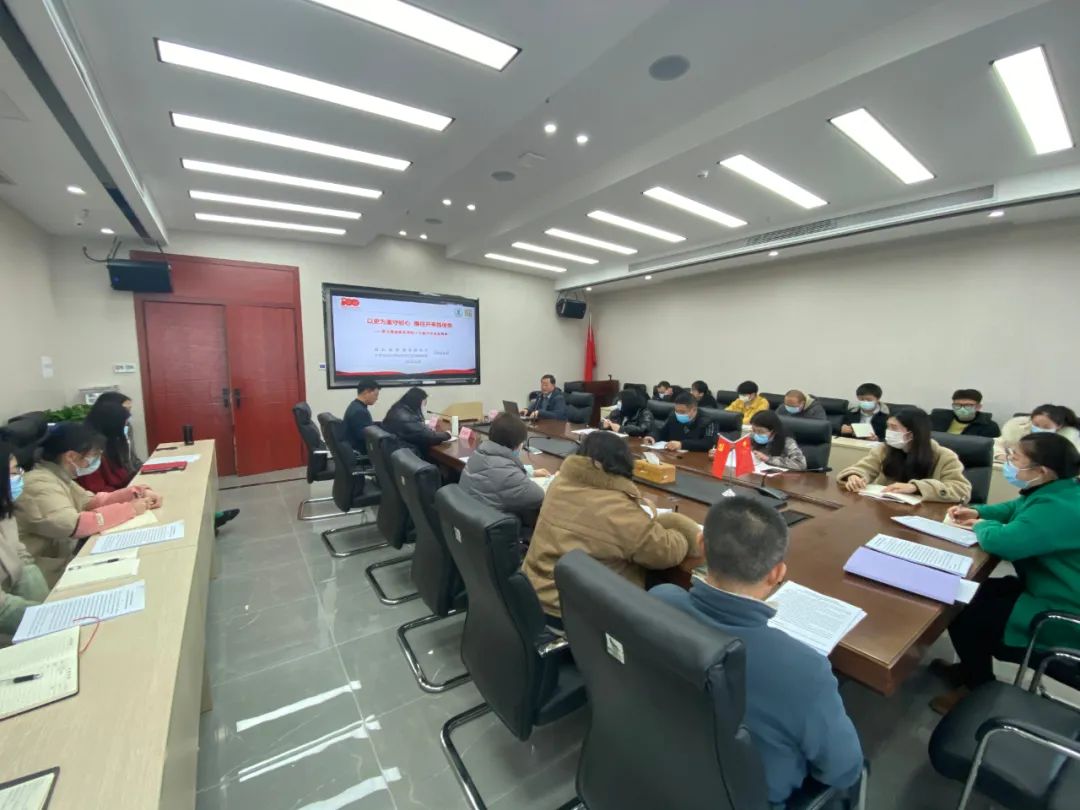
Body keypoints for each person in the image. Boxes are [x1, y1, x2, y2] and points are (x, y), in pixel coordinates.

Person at [651, 497, 863, 806]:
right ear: (777, 574)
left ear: (702, 546)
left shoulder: (659, 602)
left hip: (659, 770)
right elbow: (843, 770)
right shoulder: (804, 671)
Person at [930, 432, 1080, 714]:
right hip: (1047, 588)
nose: (1008, 462)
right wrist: (977, 512)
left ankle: (977, 687)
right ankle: (970, 668)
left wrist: (980, 525)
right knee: (971, 594)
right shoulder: (1056, 490)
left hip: (1063, 609)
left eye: (1015, 458)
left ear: (1041, 471)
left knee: (967, 612)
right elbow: (1014, 509)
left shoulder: (1059, 506)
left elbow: (1005, 543)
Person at [524, 431, 701, 623]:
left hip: (532, 596)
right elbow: (665, 552)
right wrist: (680, 531)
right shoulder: (618, 508)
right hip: (571, 614)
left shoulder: (559, 485)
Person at [15, 422, 163, 586]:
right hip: (46, 574)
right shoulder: (38, 484)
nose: (94, 462)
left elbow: (91, 502)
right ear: (71, 456)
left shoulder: (57, 475)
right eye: (93, 456)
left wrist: (135, 493)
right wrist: (129, 509)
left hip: (67, 555)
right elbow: (75, 525)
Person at [80, 397, 239, 531]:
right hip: (117, 499)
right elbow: (97, 494)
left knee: (176, 488)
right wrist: (133, 492)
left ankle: (207, 521)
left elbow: (131, 463)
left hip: (129, 488)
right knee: (167, 498)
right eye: (125, 415)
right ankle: (204, 524)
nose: (128, 420)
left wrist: (143, 481)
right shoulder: (90, 449)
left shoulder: (117, 438)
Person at [837, 408, 971, 502]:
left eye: (894, 428)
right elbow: (864, 467)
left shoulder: (944, 456)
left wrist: (916, 487)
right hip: (885, 508)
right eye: (888, 426)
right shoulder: (884, 449)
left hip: (925, 514)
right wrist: (855, 476)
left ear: (912, 433)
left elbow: (962, 490)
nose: (888, 431)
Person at [1, 440, 49, 635]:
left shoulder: (4, 511)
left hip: (16, 601)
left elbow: (22, 559)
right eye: (13, 473)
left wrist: (48, 605)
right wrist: (48, 617)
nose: (20, 477)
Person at [460, 414, 549, 521]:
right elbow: (539, 496)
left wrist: (530, 472)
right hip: (490, 524)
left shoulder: (478, 454)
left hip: (466, 519)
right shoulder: (509, 476)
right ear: (517, 444)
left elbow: (495, 469)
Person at [78, 397, 140, 492]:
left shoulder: (113, 442)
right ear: (112, 424)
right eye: (123, 422)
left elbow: (123, 475)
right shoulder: (90, 447)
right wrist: (129, 493)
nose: (126, 426)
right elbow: (97, 490)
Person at [996, 403, 1080, 461]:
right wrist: (1001, 456)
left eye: (1046, 427)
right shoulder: (1019, 430)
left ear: (1059, 426)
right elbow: (996, 445)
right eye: (1036, 424)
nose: (1039, 429)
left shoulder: (1069, 440)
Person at [382, 387, 451, 453]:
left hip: (395, 448)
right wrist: (447, 434)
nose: (423, 406)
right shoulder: (406, 416)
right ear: (417, 401)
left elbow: (415, 429)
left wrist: (423, 427)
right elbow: (428, 437)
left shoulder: (398, 408)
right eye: (423, 402)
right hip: (406, 451)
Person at [643, 392, 719, 452]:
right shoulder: (673, 416)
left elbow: (708, 443)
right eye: (676, 411)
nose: (678, 414)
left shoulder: (708, 421)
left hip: (695, 460)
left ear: (694, 410)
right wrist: (652, 436)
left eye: (682, 412)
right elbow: (662, 431)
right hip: (672, 456)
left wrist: (682, 444)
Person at [928, 389, 1001, 438]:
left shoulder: (989, 427)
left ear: (978, 407)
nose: (962, 409)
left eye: (968, 405)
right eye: (957, 405)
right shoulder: (936, 418)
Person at [344, 377, 380, 448]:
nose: (377, 398)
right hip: (361, 451)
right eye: (375, 395)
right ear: (366, 392)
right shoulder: (360, 412)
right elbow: (365, 438)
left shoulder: (354, 406)